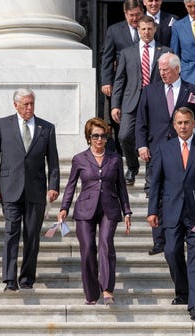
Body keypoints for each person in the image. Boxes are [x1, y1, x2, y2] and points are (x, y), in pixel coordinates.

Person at [148, 107, 195, 323]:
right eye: (179, 123)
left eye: (187, 122)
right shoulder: (164, 148)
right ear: (174, 125)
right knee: (171, 252)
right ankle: (182, 291)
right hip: (171, 212)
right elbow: (156, 184)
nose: (183, 126)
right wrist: (152, 210)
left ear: (194, 124)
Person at [0, 88, 60, 292]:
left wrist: (53, 186)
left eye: (32, 104)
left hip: (36, 190)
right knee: (11, 231)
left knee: (32, 235)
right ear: (15, 104)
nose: (29, 108)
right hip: (9, 188)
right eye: (25, 104)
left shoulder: (46, 128)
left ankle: (27, 279)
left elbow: (53, 162)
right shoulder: (2, 124)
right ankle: (9, 279)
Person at [136, 53, 195, 256]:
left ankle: (189, 229)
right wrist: (141, 145)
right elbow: (141, 121)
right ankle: (160, 239)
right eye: (160, 70)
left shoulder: (193, 91)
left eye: (166, 70)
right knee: (155, 190)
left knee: (187, 189)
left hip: (187, 150)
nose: (162, 73)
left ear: (177, 69)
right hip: (157, 150)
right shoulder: (150, 91)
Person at [59, 117, 132, 305]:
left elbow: (121, 187)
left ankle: (107, 289)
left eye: (103, 136)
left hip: (110, 207)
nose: (99, 140)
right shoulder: (79, 159)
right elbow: (70, 185)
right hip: (85, 209)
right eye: (95, 136)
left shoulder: (115, 158)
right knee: (88, 249)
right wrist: (64, 207)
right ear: (88, 137)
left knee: (106, 244)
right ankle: (91, 294)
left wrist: (127, 211)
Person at [112, 15, 171, 186]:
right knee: (124, 136)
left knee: (153, 139)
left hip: (156, 102)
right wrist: (115, 105)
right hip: (131, 101)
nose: (146, 32)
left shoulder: (165, 51)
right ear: (138, 30)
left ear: (155, 30)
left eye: (149, 29)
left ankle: (150, 178)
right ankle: (132, 165)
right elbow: (120, 80)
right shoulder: (126, 52)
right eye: (143, 29)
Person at [100, 0, 144, 154]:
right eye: (131, 15)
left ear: (142, 12)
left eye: (137, 14)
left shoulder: (148, 28)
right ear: (125, 14)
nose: (134, 19)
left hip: (144, 81)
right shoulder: (114, 30)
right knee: (120, 119)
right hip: (122, 82)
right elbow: (107, 57)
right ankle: (124, 153)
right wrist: (106, 81)